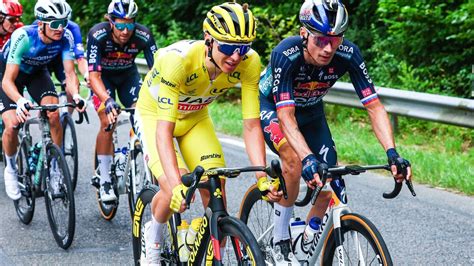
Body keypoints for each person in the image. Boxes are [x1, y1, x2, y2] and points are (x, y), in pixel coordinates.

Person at [259, 0, 412, 264]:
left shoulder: (349, 54)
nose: (329, 48)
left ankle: (306, 242)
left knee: (329, 184)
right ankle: (280, 241)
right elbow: (286, 116)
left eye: (336, 39)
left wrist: (392, 153)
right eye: (320, 40)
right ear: (304, 33)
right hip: (276, 108)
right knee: (295, 162)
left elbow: (374, 107)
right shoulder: (286, 53)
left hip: (312, 112)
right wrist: (307, 158)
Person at [135, 2, 279, 264]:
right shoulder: (176, 62)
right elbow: (163, 132)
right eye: (226, 47)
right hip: (155, 116)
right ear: (208, 40)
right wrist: (177, 184)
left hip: (195, 118)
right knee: (171, 186)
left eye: (243, 48)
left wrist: (262, 176)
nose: (235, 57)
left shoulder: (250, 63)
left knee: (216, 189)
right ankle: (152, 239)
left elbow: (251, 124)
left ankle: (214, 255)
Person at [0, 0, 85, 200]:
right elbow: (7, 81)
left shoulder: (66, 37)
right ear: (41, 24)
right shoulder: (23, 37)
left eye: (63, 22)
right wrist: (20, 101)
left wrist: (77, 95)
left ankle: (55, 169)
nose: (60, 28)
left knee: (54, 113)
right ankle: (11, 169)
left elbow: (70, 75)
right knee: (12, 125)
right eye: (54, 24)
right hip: (8, 76)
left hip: (37, 73)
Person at [87, 0, 157, 202]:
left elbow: (157, 70)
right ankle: (106, 179)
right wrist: (107, 100)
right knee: (108, 121)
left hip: (128, 77)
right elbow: (93, 76)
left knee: (141, 115)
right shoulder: (97, 34)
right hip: (103, 78)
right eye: (120, 25)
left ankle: (130, 152)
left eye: (130, 24)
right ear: (110, 22)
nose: (125, 31)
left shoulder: (143, 35)